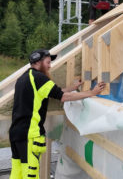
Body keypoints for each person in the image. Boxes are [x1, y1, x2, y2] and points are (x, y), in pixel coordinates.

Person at [9, 49, 106, 179]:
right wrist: (92, 93)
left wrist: (73, 87)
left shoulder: (25, 77)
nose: (50, 66)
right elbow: (63, 97)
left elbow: (56, 92)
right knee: (30, 174)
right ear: (38, 62)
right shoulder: (39, 78)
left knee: (17, 173)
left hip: (16, 132)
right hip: (29, 134)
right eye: (48, 62)